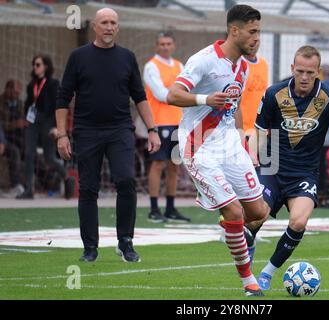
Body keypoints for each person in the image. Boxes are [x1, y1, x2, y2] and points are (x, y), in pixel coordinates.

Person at [167, 4, 270, 297]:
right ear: (234, 30)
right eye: (252, 32)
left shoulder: (243, 67)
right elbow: (172, 94)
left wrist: (242, 142)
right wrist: (205, 98)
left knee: (260, 211)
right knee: (236, 210)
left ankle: (230, 227)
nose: (257, 38)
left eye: (259, 32)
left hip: (229, 144)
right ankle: (249, 282)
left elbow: (233, 108)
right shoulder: (204, 60)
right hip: (199, 146)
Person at [55, 8, 161, 263]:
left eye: (113, 22)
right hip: (86, 131)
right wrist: (61, 135)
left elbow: (140, 97)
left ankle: (125, 242)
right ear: (94, 26)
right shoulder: (78, 57)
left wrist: (152, 130)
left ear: (118, 27)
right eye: (104, 22)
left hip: (119, 130)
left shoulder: (127, 57)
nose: (109, 27)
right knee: (88, 188)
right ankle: (90, 248)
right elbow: (63, 97)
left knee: (126, 181)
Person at [247, 45, 329, 291]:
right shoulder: (274, 94)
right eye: (300, 71)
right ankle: (248, 254)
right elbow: (259, 132)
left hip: (304, 173)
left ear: (318, 72)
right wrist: (252, 156)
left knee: (298, 221)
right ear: (292, 68)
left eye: (310, 73)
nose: (304, 78)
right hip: (272, 168)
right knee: (255, 216)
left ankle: (267, 272)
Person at [143, 31, 190, 223]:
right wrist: (179, 95)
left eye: (168, 43)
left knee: (174, 166)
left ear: (173, 46)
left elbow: (188, 89)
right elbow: (161, 93)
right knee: (157, 164)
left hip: (178, 122)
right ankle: (154, 208)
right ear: (157, 46)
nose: (165, 46)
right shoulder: (151, 66)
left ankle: (170, 208)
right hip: (158, 123)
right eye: (161, 43)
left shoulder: (180, 65)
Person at [17, 54, 75, 200]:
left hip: (48, 122)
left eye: (38, 65)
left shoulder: (54, 84)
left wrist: (57, 127)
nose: (35, 67)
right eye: (34, 65)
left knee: (49, 158)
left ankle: (67, 177)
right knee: (29, 154)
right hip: (33, 123)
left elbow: (58, 105)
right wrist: (26, 118)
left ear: (46, 67)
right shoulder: (31, 85)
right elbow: (29, 104)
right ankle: (29, 189)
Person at [240, 41, 269, 138]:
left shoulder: (263, 64)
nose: (253, 42)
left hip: (259, 128)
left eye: (256, 40)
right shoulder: (238, 64)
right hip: (241, 129)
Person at [0, 80, 26, 152]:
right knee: (15, 152)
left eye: (19, 93)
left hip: (19, 136)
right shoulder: (1, 103)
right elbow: (1, 126)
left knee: (29, 149)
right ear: (8, 90)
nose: (17, 95)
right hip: (5, 136)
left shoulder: (20, 103)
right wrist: (14, 124)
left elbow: (22, 118)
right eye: (16, 92)